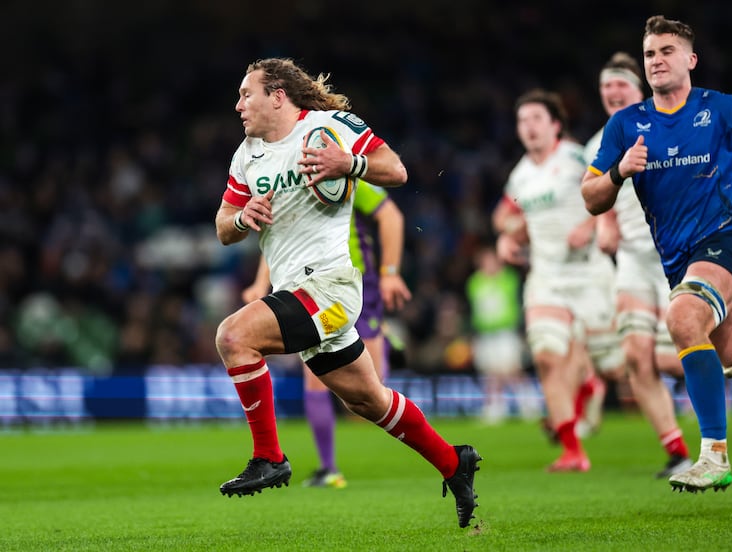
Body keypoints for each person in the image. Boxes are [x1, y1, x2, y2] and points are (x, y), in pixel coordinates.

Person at [215, 57, 480, 528]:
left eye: (246, 94)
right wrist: (242, 218)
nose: (238, 105)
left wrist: (348, 163)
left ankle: (269, 456)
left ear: (277, 95)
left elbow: (395, 170)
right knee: (368, 401)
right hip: (295, 289)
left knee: (234, 336)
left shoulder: (329, 127)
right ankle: (453, 462)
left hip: (331, 286)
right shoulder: (247, 154)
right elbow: (223, 228)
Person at [582, 16, 732, 493]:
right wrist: (619, 171)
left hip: (730, 242)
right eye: (649, 54)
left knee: (682, 318)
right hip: (680, 262)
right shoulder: (626, 126)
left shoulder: (720, 109)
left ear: (690, 60)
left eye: (666, 51)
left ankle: (713, 457)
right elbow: (591, 196)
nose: (656, 61)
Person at [241, 180, 412, 488]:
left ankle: (378, 340)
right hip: (312, 291)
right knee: (316, 378)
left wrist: (390, 273)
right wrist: (259, 283)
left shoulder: (349, 178)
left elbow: (392, 216)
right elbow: (279, 239)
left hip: (357, 286)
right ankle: (328, 468)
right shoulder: (284, 183)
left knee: (369, 394)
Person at [493, 88, 618, 472]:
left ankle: (591, 384)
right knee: (547, 356)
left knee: (615, 364)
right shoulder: (521, 175)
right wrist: (507, 234)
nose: (528, 127)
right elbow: (503, 214)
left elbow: (613, 192)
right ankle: (572, 451)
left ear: (555, 125)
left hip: (590, 272)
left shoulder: (577, 157)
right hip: (546, 275)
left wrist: (592, 223)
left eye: (536, 119)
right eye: (522, 120)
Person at [585, 51, 692, 479]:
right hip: (632, 257)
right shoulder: (602, 139)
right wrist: (605, 225)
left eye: (620, 85)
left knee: (671, 359)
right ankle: (678, 451)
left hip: (676, 255)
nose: (612, 92)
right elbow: (596, 191)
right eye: (606, 86)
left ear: (639, 88)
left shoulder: (668, 123)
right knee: (635, 355)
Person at [464, 244, 540, 424]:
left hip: (506, 331)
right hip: (485, 333)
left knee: (512, 369)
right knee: (490, 372)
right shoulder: (475, 282)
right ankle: (495, 407)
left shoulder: (508, 278)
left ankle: (529, 404)